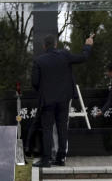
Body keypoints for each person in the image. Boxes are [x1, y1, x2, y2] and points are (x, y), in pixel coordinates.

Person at [31, 33, 93, 167]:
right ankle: (60, 158)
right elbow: (83, 57)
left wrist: (44, 91)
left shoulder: (38, 61)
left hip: (47, 101)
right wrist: (87, 45)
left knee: (47, 129)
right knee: (62, 129)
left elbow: (35, 82)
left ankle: (46, 159)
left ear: (44, 46)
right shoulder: (64, 55)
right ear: (55, 44)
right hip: (64, 99)